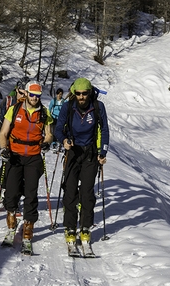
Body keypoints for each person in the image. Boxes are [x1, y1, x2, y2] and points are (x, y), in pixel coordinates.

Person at [54, 77, 109, 245]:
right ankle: (70, 227)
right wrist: (63, 140)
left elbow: (105, 129)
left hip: (90, 154)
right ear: (74, 93)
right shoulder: (67, 106)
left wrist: (103, 151)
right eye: (78, 94)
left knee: (87, 193)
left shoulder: (98, 107)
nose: (81, 97)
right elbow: (58, 128)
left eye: (84, 93)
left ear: (89, 92)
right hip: (72, 152)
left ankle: (85, 227)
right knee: (70, 191)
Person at [0, 80, 53, 244]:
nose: (34, 98)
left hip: (34, 156)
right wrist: (3, 149)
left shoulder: (44, 112)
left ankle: (28, 228)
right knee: (11, 192)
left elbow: (49, 134)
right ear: (26, 94)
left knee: (31, 193)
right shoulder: (14, 110)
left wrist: (47, 142)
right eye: (32, 95)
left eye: (37, 96)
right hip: (15, 155)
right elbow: (3, 133)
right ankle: (11, 224)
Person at [0, 76, 30, 201]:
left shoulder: (30, 103)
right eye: (21, 92)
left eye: (26, 93)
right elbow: (0, 117)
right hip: (7, 139)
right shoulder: (8, 101)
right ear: (16, 90)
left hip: (23, 142)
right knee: (6, 167)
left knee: (21, 171)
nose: (23, 95)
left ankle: (16, 196)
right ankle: (5, 191)